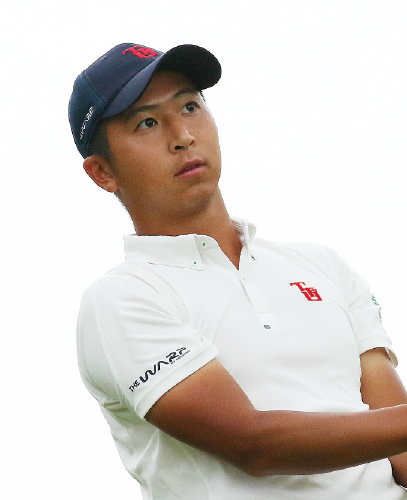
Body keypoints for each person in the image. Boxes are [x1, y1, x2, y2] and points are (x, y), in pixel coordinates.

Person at [69, 42, 407, 499]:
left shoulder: (321, 265)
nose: (182, 135)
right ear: (102, 173)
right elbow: (253, 446)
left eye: (190, 107)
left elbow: (400, 448)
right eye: (147, 122)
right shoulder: (122, 299)